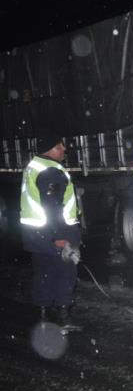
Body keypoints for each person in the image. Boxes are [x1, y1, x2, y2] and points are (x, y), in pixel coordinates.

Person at [20, 136, 82, 330]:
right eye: (60, 146)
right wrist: (60, 237)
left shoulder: (34, 166)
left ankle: (44, 316)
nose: (64, 150)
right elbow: (53, 207)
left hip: (36, 234)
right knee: (65, 273)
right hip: (53, 234)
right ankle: (64, 317)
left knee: (44, 273)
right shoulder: (51, 172)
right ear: (51, 149)